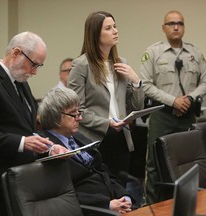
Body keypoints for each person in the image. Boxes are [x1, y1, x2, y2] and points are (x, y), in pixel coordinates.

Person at [0, 32, 68, 216]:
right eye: (33, 64)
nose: (34, 72)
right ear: (16, 53)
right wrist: (22, 143)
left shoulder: (21, 82)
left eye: (38, 66)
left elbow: (28, 129)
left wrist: (49, 147)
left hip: (22, 181)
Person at [140, 10, 206, 204]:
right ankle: (152, 206)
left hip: (187, 116)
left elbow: (205, 83)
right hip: (162, 115)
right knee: (154, 164)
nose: (176, 27)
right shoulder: (153, 52)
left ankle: (187, 204)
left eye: (180, 23)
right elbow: (145, 84)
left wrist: (188, 98)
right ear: (164, 28)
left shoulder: (195, 53)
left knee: (188, 162)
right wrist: (173, 101)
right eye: (171, 23)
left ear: (184, 27)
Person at [67, 11, 144, 179]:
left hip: (122, 139)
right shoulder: (81, 65)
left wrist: (136, 81)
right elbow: (76, 111)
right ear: (95, 34)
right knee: (104, 195)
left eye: (115, 26)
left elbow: (136, 107)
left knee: (122, 193)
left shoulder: (121, 63)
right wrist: (106, 122)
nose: (115, 31)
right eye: (108, 28)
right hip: (95, 140)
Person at [38, 87, 133, 214]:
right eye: (74, 114)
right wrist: (106, 205)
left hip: (113, 203)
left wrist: (124, 197)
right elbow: (61, 194)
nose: (80, 118)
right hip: (90, 210)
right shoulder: (47, 149)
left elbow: (102, 171)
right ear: (55, 117)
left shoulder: (78, 137)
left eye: (79, 112)